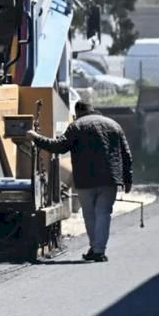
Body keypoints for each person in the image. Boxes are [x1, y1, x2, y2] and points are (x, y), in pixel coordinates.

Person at [26, 100, 133, 262]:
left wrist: (36, 138)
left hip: (85, 180)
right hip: (109, 179)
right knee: (103, 213)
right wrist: (128, 179)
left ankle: (95, 248)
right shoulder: (114, 125)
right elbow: (126, 154)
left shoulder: (76, 126)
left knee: (89, 215)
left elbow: (58, 147)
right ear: (94, 110)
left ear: (77, 114)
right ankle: (98, 250)